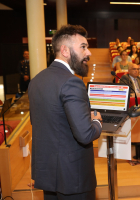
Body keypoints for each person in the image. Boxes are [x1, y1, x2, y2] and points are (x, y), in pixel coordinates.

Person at [28, 25, 102, 199]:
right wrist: (97, 121)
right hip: (73, 178)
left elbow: (45, 124)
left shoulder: (37, 80)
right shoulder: (72, 83)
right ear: (65, 50)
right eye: (83, 47)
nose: (89, 52)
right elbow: (85, 134)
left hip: (48, 174)